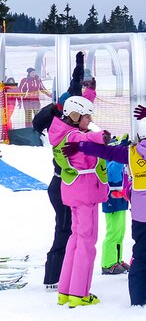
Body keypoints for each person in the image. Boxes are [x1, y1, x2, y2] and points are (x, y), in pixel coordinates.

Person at [64, 106, 146, 305]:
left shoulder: (130, 153)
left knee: (141, 255)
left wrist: (80, 147)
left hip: (141, 216)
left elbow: (105, 151)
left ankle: (137, 297)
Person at [32, 52, 87, 292]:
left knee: (71, 229)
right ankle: (52, 277)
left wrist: (79, 65)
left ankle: (67, 271)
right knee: (64, 229)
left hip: (66, 185)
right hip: (61, 185)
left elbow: (74, 86)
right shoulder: (61, 128)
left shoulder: (67, 120)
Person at [49, 95, 109, 307]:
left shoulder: (61, 132)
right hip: (86, 193)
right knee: (86, 242)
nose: (89, 119)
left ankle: (65, 290)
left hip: (74, 191)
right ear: (75, 116)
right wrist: (104, 136)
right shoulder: (75, 136)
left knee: (75, 240)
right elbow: (89, 140)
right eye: (86, 116)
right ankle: (79, 293)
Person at [101, 135, 132, 275]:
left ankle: (117, 259)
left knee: (120, 232)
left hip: (121, 200)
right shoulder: (110, 162)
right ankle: (108, 263)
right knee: (113, 232)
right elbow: (113, 174)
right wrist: (121, 152)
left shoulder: (119, 162)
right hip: (111, 200)